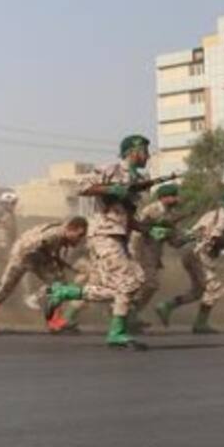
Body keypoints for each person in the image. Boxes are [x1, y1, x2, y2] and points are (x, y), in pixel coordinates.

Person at [44, 134, 157, 349]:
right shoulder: (112, 169)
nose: (147, 156)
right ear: (132, 151)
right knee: (126, 283)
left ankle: (65, 293)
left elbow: (128, 216)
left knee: (135, 281)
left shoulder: (135, 179)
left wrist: (148, 229)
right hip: (104, 234)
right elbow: (82, 187)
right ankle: (116, 332)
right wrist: (111, 189)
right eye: (144, 150)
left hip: (119, 235)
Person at [0, 216, 88, 333]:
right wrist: (52, 259)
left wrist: (58, 262)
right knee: (6, 288)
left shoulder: (62, 235)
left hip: (39, 257)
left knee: (59, 283)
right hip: (23, 255)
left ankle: (53, 318)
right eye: (79, 235)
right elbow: (31, 246)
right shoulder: (53, 234)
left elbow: (53, 253)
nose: (79, 240)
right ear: (70, 229)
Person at [156, 190, 224, 333]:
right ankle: (200, 323)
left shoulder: (210, 214)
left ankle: (167, 306)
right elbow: (216, 238)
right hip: (201, 255)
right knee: (213, 288)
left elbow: (193, 232)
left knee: (198, 291)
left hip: (189, 252)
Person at [129, 183, 185, 326]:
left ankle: (131, 314)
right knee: (149, 284)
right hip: (141, 251)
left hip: (153, 255)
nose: (176, 199)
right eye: (173, 196)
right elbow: (139, 229)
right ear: (163, 198)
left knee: (146, 286)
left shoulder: (171, 214)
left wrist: (189, 237)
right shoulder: (151, 210)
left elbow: (175, 242)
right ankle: (129, 314)